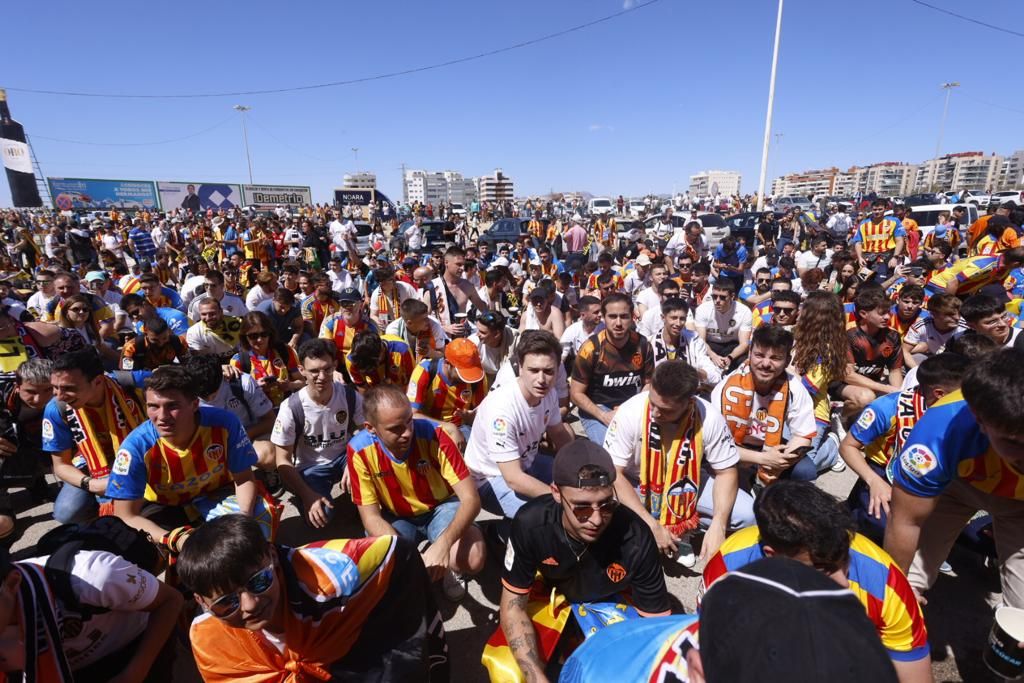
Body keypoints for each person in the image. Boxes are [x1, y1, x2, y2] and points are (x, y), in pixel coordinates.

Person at [701, 481, 930, 683]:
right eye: (822, 570)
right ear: (772, 555)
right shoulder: (728, 567)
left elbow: (913, 675)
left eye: (845, 561)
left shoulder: (885, 582)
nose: (844, 584)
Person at [178, 514, 449, 682]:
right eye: (227, 603)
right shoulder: (207, 638)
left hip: (349, 648)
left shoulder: (334, 574)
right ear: (202, 602)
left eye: (259, 582)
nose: (250, 605)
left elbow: (397, 552)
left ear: (272, 556)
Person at [494, 440, 671, 683]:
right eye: (582, 508)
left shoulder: (637, 537)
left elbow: (656, 628)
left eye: (607, 504)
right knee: (508, 671)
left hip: (615, 601)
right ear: (556, 492)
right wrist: (536, 677)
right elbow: (513, 607)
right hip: (552, 597)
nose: (597, 519)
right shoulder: (530, 524)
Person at [886, 349, 1024, 608]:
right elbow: (905, 521)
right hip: (956, 489)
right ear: (979, 420)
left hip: (1019, 508)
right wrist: (898, 587)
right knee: (903, 584)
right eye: (1015, 442)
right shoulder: (939, 432)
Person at [105, 365, 278, 543]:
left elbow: (243, 478)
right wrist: (177, 540)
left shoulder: (225, 423)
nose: (162, 416)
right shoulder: (134, 448)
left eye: (172, 406)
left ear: (195, 404)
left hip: (216, 493)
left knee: (259, 523)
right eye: (153, 406)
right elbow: (125, 515)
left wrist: (243, 518)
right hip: (166, 506)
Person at [349, 384, 486, 601]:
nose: (407, 433)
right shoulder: (358, 451)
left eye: (409, 422)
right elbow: (370, 517)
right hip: (398, 516)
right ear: (370, 428)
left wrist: (443, 545)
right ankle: (419, 561)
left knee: (473, 558)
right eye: (395, 428)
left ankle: (449, 565)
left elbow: (471, 499)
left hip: (441, 507)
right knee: (382, 567)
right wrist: (410, 556)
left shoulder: (436, 435)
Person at [605, 360, 745, 568]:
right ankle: (651, 528)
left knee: (747, 515)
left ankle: (684, 528)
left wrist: (719, 524)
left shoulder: (710, 417)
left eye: (665, 410)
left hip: (687, 481)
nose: (654, 413)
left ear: (689, 403)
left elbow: (726, 472)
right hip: (636, 482)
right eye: (652, 403)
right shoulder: (630, 411)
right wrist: (650, 523)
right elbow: (613, 474)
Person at [0, 540, 183, 681]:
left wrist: (134, 673)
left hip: (133, 646)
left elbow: (171, 600)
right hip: (69, 667)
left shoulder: (94, 575)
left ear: (12, 583)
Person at [841, 352, 969, 545]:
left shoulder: (965, 412)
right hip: (885, 473)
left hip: (937, 478)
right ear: (939, 394)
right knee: (884, 526)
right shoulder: (888, 407)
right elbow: (848, 446)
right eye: (965, 393)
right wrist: (874, 481)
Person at [464, 330, 574, 519]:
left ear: (558, 370)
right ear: (520, 368)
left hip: (526, 462)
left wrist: (580, 468)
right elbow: (514, 479)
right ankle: (499, 535)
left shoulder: (549, 394)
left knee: (580, 483)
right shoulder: (501, 410)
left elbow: (559, 434)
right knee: (549, 516)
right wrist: (563, 498)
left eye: (549, 371)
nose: (541, 380)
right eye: (534, 370)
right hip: (490, 479)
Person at [43, 349, 147, 525]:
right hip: (92, 467)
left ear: (98, 381)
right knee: (66, 513)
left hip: (142, 456)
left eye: (69, 388)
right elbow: (60, 466)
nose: (59, 396)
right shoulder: (57, 409)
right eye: (55, 387)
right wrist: (91, 484)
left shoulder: (133, 384)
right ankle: (99, 509)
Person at [271, 339, 362, 529]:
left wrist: (355, 460)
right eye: (314, 371)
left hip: (343, 457)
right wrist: (307, 496)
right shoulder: (291, 407)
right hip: (311, 467)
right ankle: (303, 495)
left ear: (335, 366)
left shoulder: (349, 395)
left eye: (327, 369)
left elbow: (366, 431)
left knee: (371, 481)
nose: (322, 376)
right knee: (322, 518)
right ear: (301, 370)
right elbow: (282, 460)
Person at [712, 325, 818, 484]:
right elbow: (716, 443)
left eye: (775, 358)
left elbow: (803, 436)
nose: (766, 364)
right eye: (759, 355)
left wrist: (779, 463)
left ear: (787, 361)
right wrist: (762, 459)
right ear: (750, 354)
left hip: (772, 446)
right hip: (734, 447)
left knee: (805, 471)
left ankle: (829, 449)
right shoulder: (726, 388)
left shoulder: (795, 388)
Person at [570, 292, 655, 444]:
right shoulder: (590, 349)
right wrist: (604, 416)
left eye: (624, 316)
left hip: (633, 408)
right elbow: (576, 394)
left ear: (632, 317)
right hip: (597, 410)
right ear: (603, 317)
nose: (618, 323)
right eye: (612, 316)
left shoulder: (643, 345)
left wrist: (632, 409)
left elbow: (648, 383)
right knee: (612, 449)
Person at [408, 338, 487, 445]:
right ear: (447, 363)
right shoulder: (425, 371)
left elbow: (482, 414)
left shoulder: (477, 377)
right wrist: (450, 428)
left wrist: (471, 417)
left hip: (463, 429)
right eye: (462, 372)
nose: (466, 378)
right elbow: (412, 415)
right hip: (429, 427)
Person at [845, 287, 905, 404]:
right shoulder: (848, 334)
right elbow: (848, 376)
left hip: (874, 384)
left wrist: (898, 394)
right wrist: (886, 388)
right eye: (882, 313)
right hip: (845, 384)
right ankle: (840, 414)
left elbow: (894, 371)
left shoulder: (893, 336)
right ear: (863, 314)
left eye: (888, 312)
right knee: (866, 397)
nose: (888, 317)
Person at [230, 311, 304, 406]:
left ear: (270, 333)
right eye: (253, 336)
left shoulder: (285, 351)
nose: (260, 340)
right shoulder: (238, 361)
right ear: (245, 337)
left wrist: (290, 385)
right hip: (258, 413)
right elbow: (235, 396)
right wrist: (255, 387)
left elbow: (302, 381)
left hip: (286, 407)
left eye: (264, 334)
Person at [694, 278, 752, 372]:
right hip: (710, 345)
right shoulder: (703, 310)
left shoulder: (744, 311)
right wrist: (713, 356)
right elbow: (701, 341)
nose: (717, 300)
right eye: (714, 296)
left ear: (732, 296)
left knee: (744, 363)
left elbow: (744, 344)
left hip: (733, 346)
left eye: (722, 297)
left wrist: (730, 357)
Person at [901, 293, 962, 367]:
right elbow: (904, 351)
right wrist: (917, 372)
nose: (958, 318)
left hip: (959, 363)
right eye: (950, 314)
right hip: (934, 359)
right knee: (913, 359)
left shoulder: (967, 327)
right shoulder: (921, 326)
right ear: (933, 314)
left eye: (959, 313)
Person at [346, 330, 416, 390]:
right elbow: (363, 389)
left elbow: (412, 383)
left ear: (382, 351)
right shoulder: (352, 361)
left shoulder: (402, 351)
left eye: (372, 368)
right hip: (373, 391)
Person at [853, 199, 906, 277]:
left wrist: (895, 257)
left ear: (885, 209)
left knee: (881, 282)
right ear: (871, 210)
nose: (877, 212)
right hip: (867, 258)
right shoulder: (863, 223)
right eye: (875, 209)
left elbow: (900, 240)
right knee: (864, 282)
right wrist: (860, 257)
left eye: (880, 209)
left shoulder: (894, 222)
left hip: (886, 257)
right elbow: (858, 242)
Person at [120, 316, 189, 371]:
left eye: (164, 338)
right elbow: (127, 373)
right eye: (155, 340)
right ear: (145, 333)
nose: (161, 343)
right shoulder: (131, 347)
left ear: (168, 331)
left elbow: (188, 363)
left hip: (170, 375)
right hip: (142, 380)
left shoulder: (178, 341)